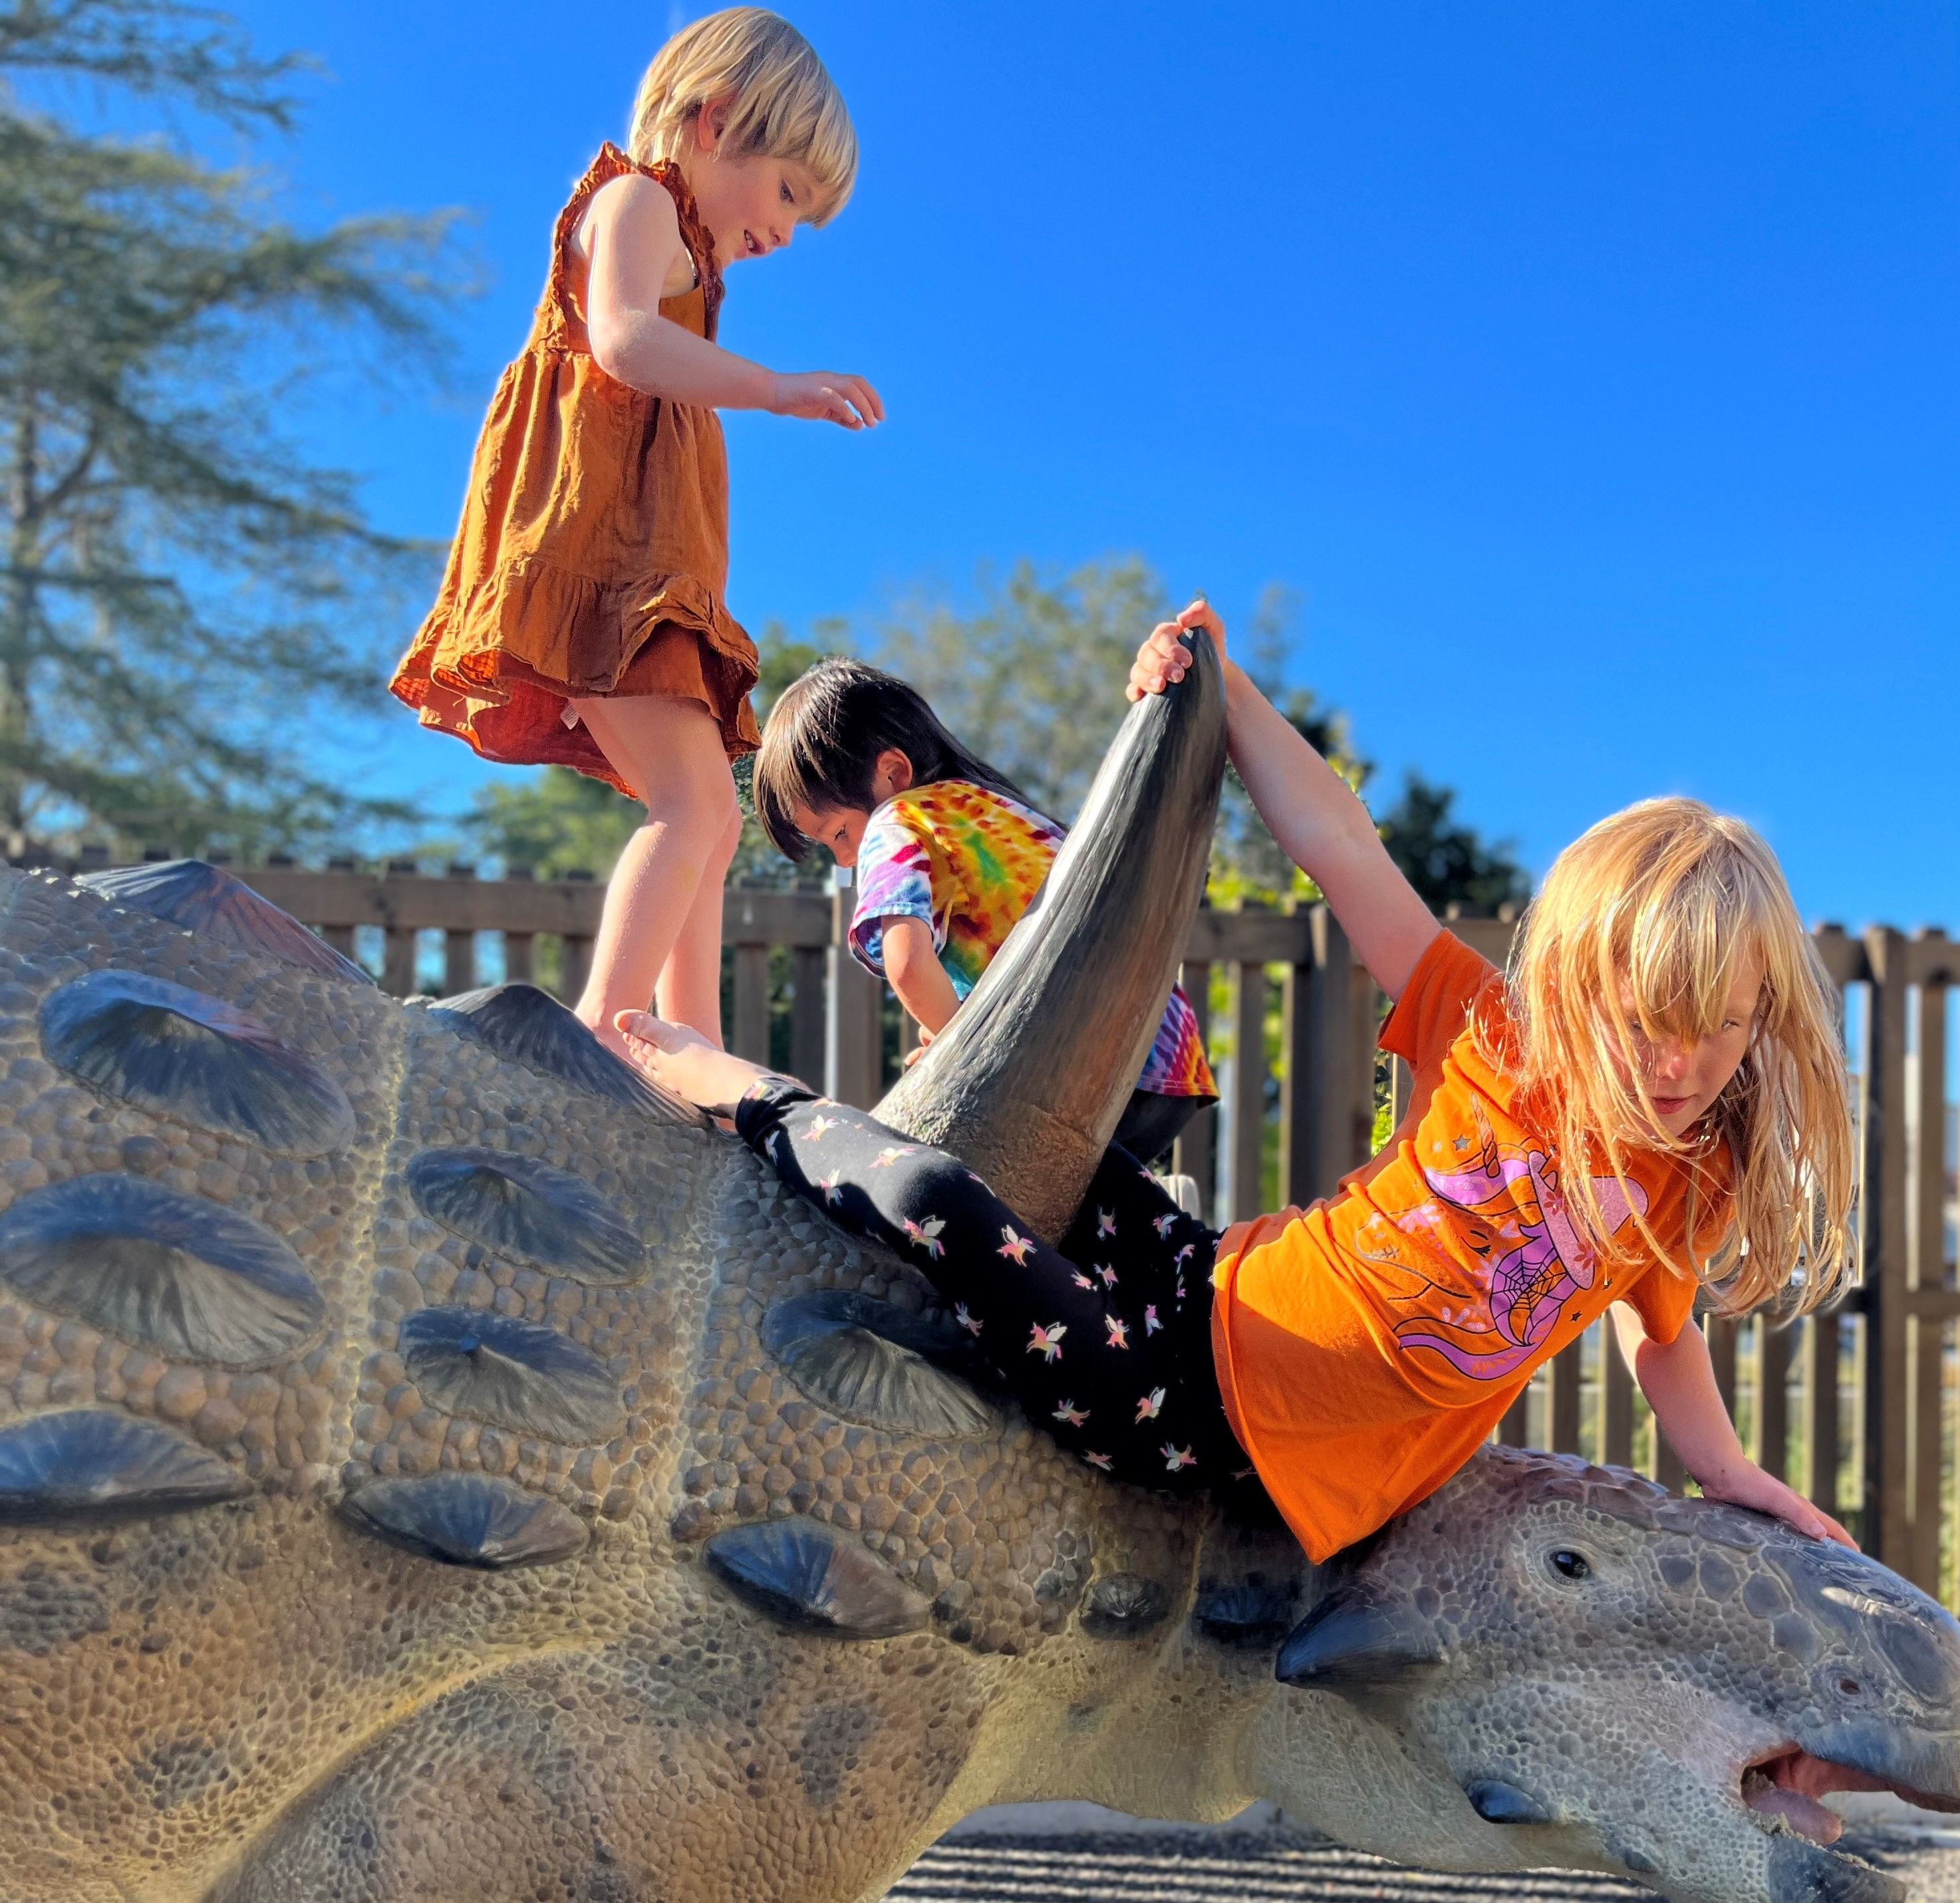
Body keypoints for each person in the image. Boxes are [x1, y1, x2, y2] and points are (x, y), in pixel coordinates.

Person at [615, 599, 1857, 1562]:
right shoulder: (1495, 1035)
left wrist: (1731, 1473)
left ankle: (733, 1088)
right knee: (1015, 1151)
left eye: (1726, 1026)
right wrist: (1223, 682)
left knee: (938, 1197)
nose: (1682, 1064)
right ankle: (728, 1103)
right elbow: (1340, 849)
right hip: (1209, 1276)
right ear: (1582, 987)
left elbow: (1664, 1343)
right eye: (1647, 1022)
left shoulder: (1677, 1185)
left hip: (1191, 1416)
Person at [390, 9, 879, 1052]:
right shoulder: (638, 199)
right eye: (788, 191)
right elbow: (618, 339)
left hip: (651, 574)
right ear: (713, 122)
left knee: (708, 809)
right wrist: (776, 390)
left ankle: (689, 1042)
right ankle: (607, 1038)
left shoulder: (690, 256)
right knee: (695, 809)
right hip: (597, 562)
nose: (787, 231)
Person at [753, 657, 1218, 1164]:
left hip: (1080, 1070)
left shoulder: (896, 820)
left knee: (959, 1195)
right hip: (1167, 1052)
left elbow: (906, 963)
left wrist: (955, 1061)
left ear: (890, 774)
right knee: (1093, 1215)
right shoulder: (999, 811)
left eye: (840, 833)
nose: (845, 858)